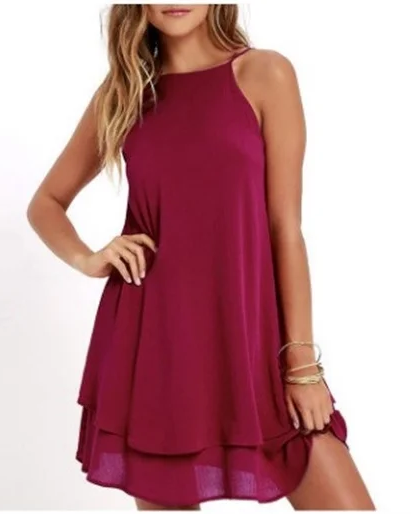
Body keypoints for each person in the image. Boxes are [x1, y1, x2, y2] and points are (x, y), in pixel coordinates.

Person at [27, 4, 375, 511]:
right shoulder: (124, 93)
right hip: (156, 345)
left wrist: (302, 366)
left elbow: (286, 230)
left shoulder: (264, 74)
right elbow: (45, 203)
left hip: (254, 342)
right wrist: (88, 258)